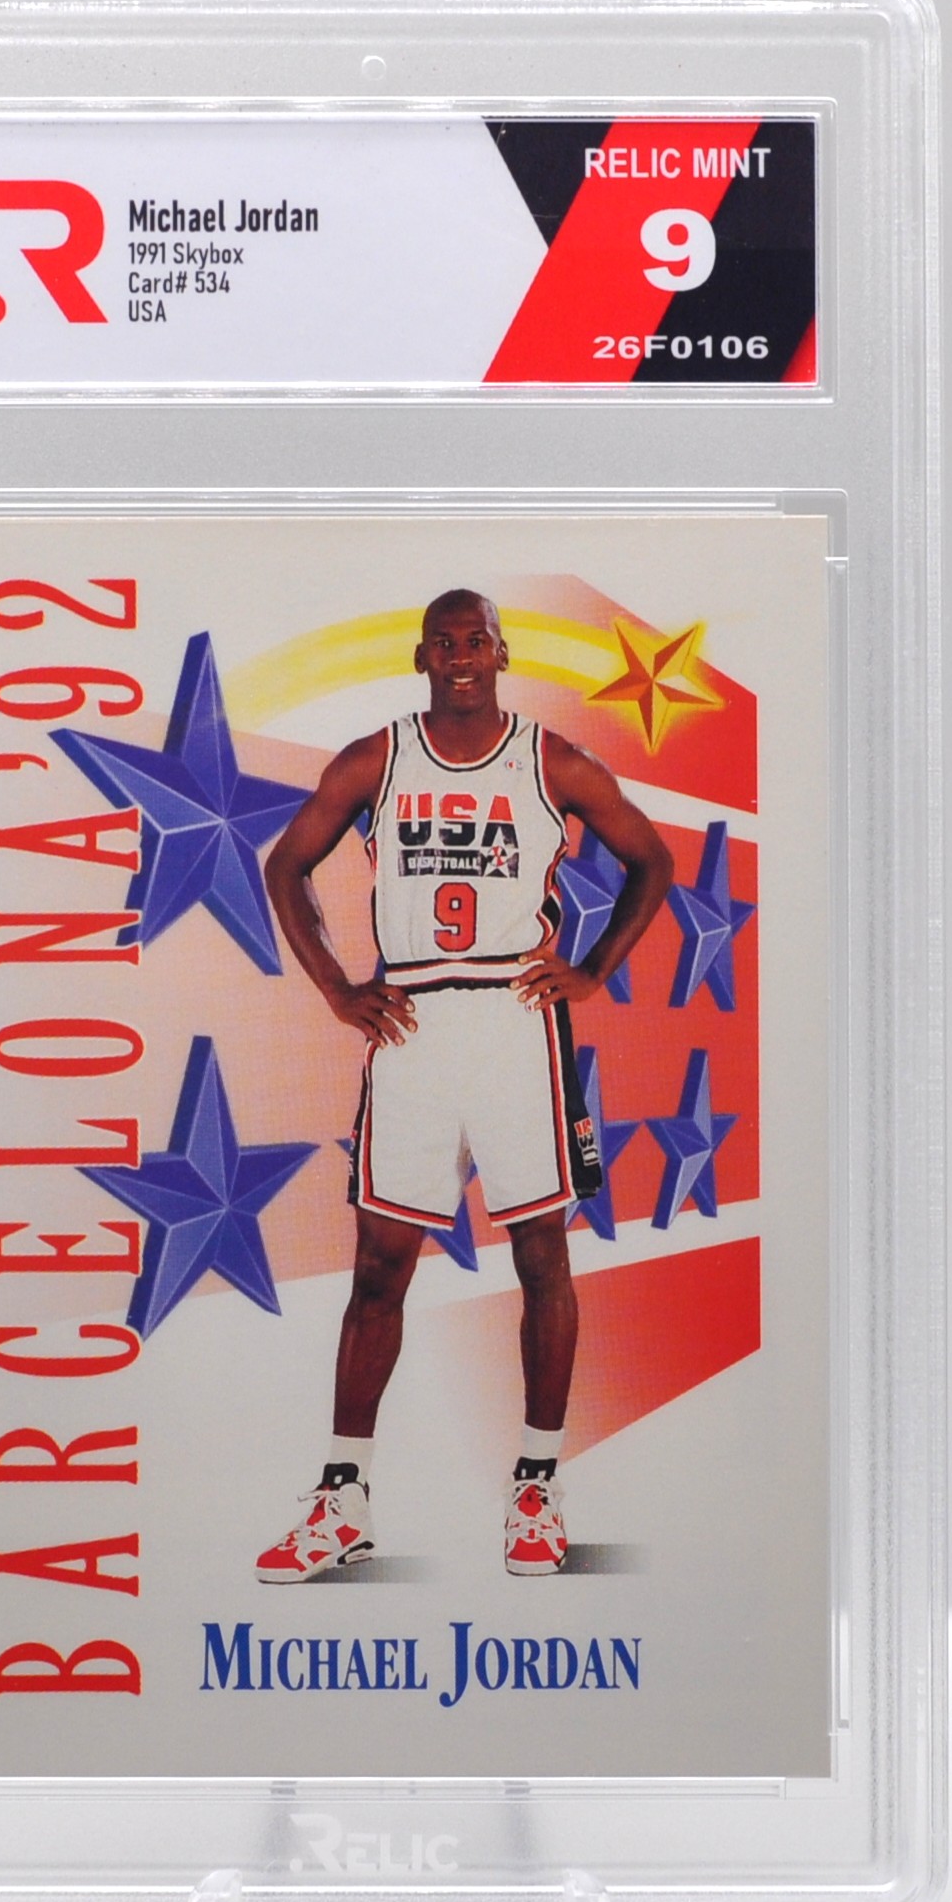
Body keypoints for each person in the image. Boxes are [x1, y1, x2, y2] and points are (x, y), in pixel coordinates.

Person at [258, 588, 674, 1581]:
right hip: (410, 1023)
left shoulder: (550, 760)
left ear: (500, 653)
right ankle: (343, 1498)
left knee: (541, 1255)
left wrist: (594, 969)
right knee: (378, 1269)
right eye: (442, 643)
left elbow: (651, 861)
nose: (459, 657)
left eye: (475, 641)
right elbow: (286, 866)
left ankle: (536, 1486)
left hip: (513, 1022)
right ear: (420, 658)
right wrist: (336, 990)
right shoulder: (377, 757)